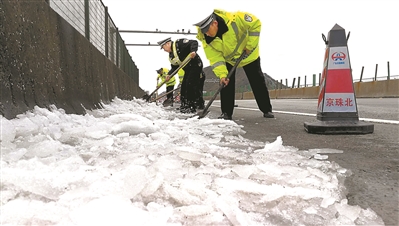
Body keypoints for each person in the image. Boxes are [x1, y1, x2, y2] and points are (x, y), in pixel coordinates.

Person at [194, 9, 274, 120]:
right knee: (226, 83)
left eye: (207, 30)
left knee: (257, 81)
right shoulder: (205, 39)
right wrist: (222, 75)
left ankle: (266, 109)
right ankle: (226, 113)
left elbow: (256, 24)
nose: (206, 34)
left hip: (249, 55)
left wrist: (250, 46)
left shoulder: (236, 19)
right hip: (229, 60)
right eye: (204, 31)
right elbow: (215, 59)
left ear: (215, 23)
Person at [157, 37, 204, 113]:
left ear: (168, 44)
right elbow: (175, 67)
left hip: (195, 65)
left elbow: (193, 42)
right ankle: (185, 105)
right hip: (188, 69)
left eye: (163, 47)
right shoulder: (171, 56)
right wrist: (169, 75)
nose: (164, 50)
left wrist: (193, 51)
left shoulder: (179, 43)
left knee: (190, 85)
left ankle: (191, 106)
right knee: (183, 87)